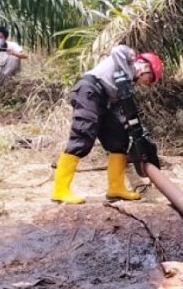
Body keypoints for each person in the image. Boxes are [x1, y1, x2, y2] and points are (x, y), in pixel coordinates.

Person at [52, 45, 164, 204]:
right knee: (82, 138)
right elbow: (117, 50)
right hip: (90, 91)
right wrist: (128, 63)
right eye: (150, 78)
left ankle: (116, 188)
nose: (147, 83)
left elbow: (119, 106)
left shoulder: (126, 84)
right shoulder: (127, 60)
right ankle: (60, 190)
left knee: (118, 141)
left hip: (105, 100)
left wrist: (129, 125)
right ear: (146, 67)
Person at [0, 26, 27, 91]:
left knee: (14, 58)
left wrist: (14, 53)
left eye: (0, 37)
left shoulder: (12, 45)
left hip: (9, 74)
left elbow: (25, 55)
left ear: (5, 38)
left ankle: (7, 82)